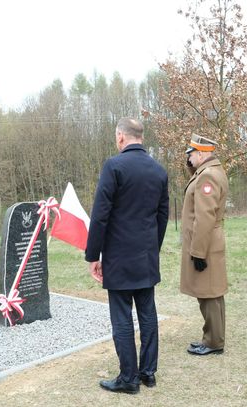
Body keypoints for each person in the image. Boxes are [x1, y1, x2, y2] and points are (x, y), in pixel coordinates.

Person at [85, 117, 169, 394]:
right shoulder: (159, 170)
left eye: (116, 136)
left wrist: (93, 255)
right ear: (140, 137)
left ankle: (129, 379)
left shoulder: (114, 166)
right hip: (146, 256)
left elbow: (100, 215)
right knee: (147, 313)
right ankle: (148, 373)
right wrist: (152, 248)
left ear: (121, 136)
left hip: (119, 257)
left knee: (122, 317)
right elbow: (162, 216)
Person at [180, 133, 228, 356]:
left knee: (208, 294)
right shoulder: (209, 172)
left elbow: (205, 216)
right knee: (211, 293)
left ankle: (213, 342)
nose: (188, 158)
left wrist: (198, 252)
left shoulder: (207, 176)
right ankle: (212, 338)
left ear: (200, 154)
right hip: (209, 241)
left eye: (191, 154)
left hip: (205, 243)